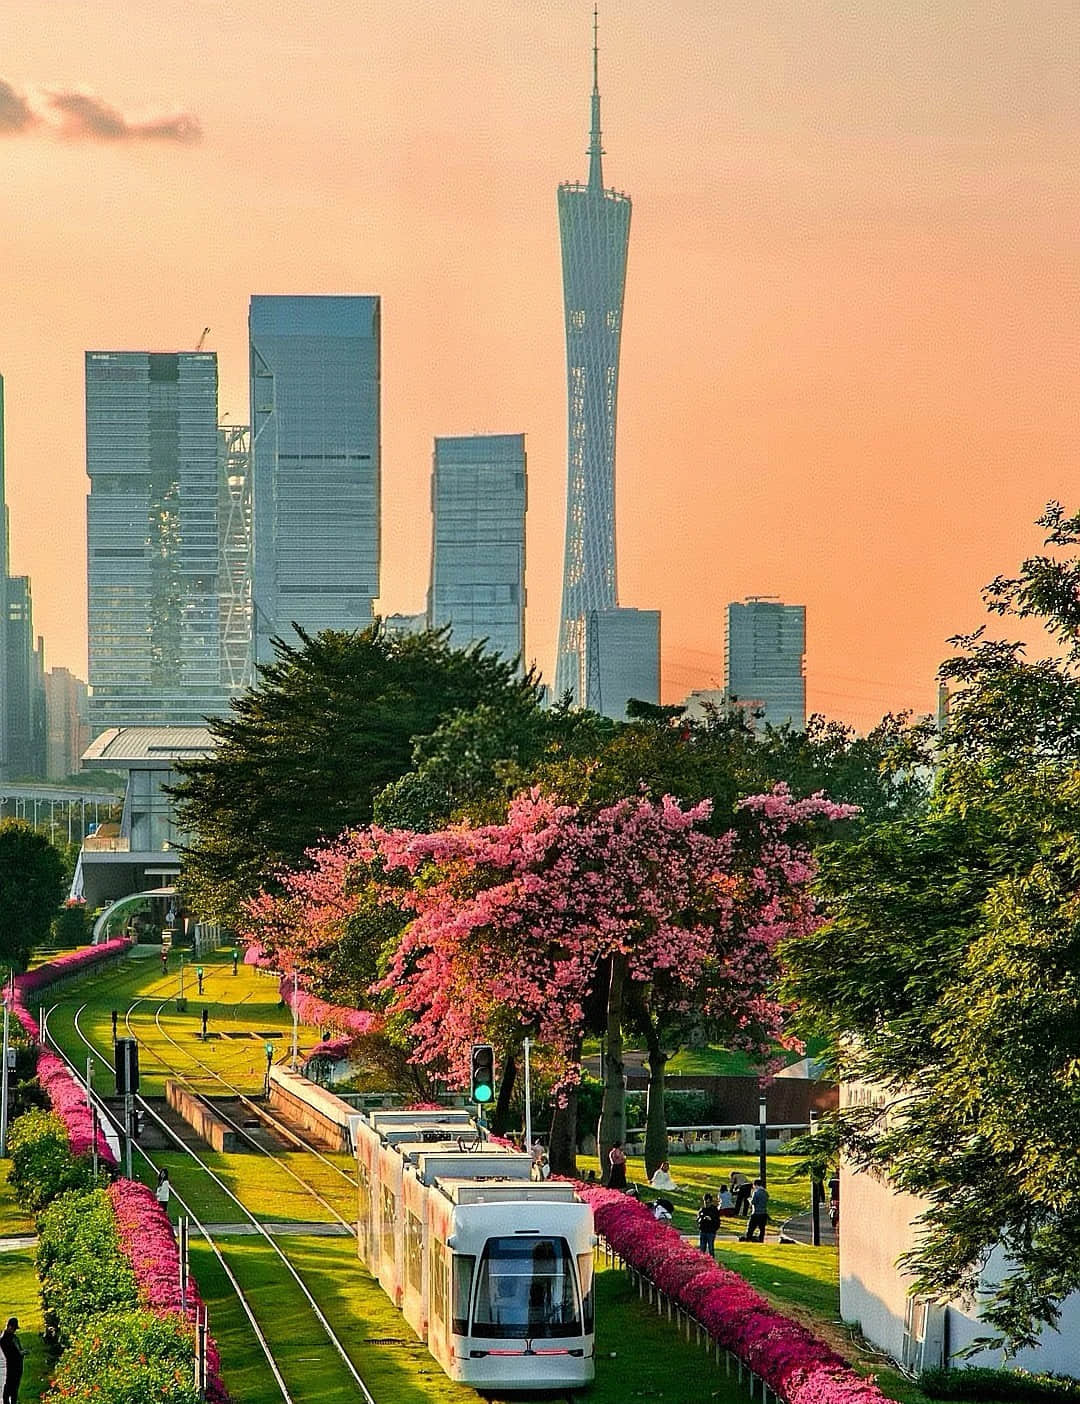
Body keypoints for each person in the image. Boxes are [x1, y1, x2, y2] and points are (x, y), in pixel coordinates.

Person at [1, 1317, 24, 1404]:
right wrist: (21, 1353)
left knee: (14, 1388)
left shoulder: (12, 1337)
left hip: (17, 1366)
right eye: (14, 1329)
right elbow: (13, 1354)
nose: (14, 1331)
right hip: (13, 1366)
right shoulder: (5, 1339)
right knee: (10, 1387)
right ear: (9, 1327)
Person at [696, 1193, 721, 1258]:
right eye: (705, 1202)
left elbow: (717, 1221)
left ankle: (712, 1261)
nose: (707, 1204)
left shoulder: (714, 1210)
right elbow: (698, 1219)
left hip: (711, 1231)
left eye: (708, 1202)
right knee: (702, 1248)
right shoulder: (702, 1210)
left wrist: (711, 1220)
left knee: (711, 1248)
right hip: (703, 1231)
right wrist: (702, 1218)